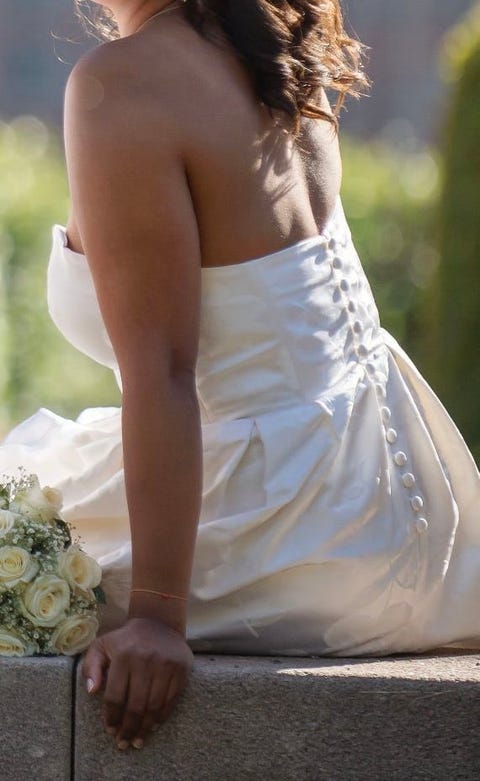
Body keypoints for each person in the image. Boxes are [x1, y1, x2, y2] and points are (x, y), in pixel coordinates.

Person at [1, 0, 479, 753]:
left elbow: (165, 373)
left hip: (288, 526)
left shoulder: (123, 84)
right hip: (402, 508)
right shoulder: (274, 43)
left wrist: (157, 617)